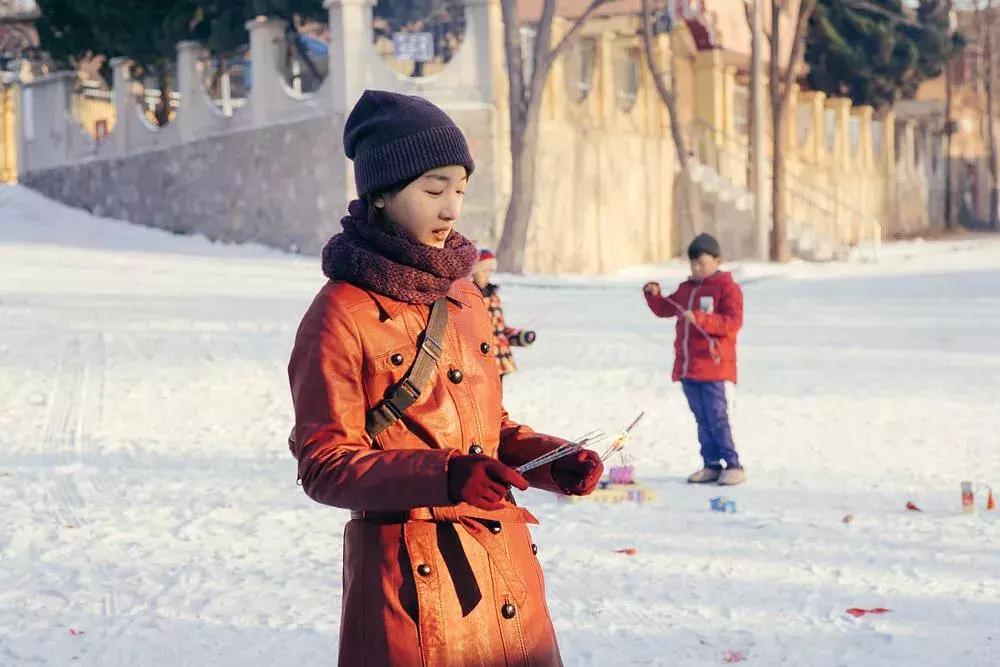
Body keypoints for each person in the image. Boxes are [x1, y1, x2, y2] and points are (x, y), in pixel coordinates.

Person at [287, 90, 603, 666]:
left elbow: (487, 428)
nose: (452, 208)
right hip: (411, 591)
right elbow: (324, 464)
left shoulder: (463, 293)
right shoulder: (339, 313)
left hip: (504, 572)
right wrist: (445, 476)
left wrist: (552, 460)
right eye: (434, 189)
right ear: (381, 194)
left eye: (460, 189)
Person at [642, 233, 746, 486]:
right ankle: (710, 464)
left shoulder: (728, 289)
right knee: (701, 418)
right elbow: (667, 309)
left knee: (717, 417)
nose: (696, 268)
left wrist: (701, 318)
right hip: (689, 367)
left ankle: (733, 464)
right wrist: (654, 296)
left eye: (701, 263)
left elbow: (732, 323)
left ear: (717, 260)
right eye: (692, 264)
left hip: (714, 367)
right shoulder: (687, 289)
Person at [472, 248, 536, 380]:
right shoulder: (468, 296)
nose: (487, 275)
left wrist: (522, 336)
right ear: (473, 272)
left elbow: (500, 330)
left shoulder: (493, 296)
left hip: (499, 363)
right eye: (484, 271)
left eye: (490, 271)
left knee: (496, 400)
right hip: (479, 363)